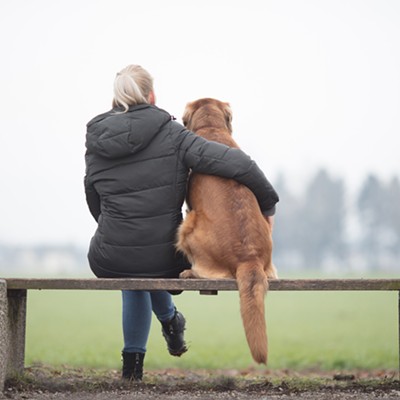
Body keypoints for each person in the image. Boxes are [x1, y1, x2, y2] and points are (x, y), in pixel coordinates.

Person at [84, 64, 279, 381]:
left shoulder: (96, 137)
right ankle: (170, 319)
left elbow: (92, 195)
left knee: (131, 272)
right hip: (163, 254)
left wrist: (113, 229)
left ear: (115, 99)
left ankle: (133, 370)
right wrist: (268, 201)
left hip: (109, 253)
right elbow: (236, 162)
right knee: (146, 264)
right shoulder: (173, 133)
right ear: (151, 95)